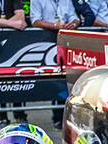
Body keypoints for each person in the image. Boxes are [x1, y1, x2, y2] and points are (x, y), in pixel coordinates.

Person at [30, 0, 77, 128]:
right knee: (52, 77)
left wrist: (73, 24)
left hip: (65, 41)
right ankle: (57, 116)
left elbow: (74, 17)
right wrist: (55, 26)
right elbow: (35, 21)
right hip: (45, 41)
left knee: (65, 77)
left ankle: (66, 116)